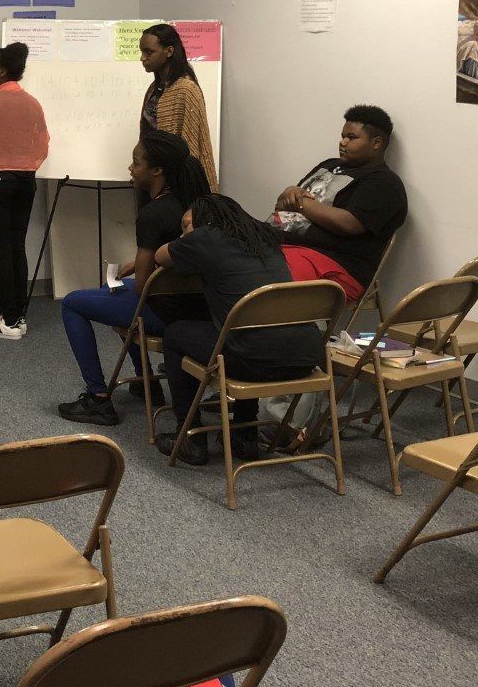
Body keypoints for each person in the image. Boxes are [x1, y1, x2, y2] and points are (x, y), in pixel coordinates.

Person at [153, 194, 325, 465]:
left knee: (176, 334)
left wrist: (188, 235)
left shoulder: (205, 238)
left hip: (253, 360)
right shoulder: (265, 236)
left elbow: (160, 255)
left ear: (202, 222)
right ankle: (244, 436)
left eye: (188, 223)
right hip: (305, 358)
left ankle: (190, 437)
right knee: (249, 332)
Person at [57, 131, 212, 426]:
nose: (130, 168)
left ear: (157, 171)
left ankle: (98, 399)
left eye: (135, 162)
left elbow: (144, 288)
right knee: (113, 287)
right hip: (198, 306)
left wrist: (141, 266)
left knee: (73, 303)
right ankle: (146, 381)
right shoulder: (194, 205)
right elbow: (176, 259)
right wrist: (137, 263)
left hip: (163, 310)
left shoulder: (153, 213)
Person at [268, 105, 407, 303]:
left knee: (255, 279)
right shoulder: (329, 165)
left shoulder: (384, 183)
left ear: (376, 143)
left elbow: (348, 224)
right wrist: (289, 192)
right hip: (276, 242)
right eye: (342, 136)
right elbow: (283, 206)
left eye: (352, 137)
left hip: (334, 263)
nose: (343, 142)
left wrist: (300, 203)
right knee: (219, 240)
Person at [0, 42, 50, 340]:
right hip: (26, 181)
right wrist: (25, 168)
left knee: (2, 250)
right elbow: (43, 146)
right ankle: (19, 316)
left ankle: (10, 320)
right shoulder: (33, 103)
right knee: (17, 246)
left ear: (2, 71)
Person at [139, 24, 218, 192]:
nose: (143, 58)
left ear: (169, 51)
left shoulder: (186, 89)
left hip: (175, 186)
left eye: (149, 52)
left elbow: (192, 148)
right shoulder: (154, 88)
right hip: (153, 179)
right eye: (142, 52)